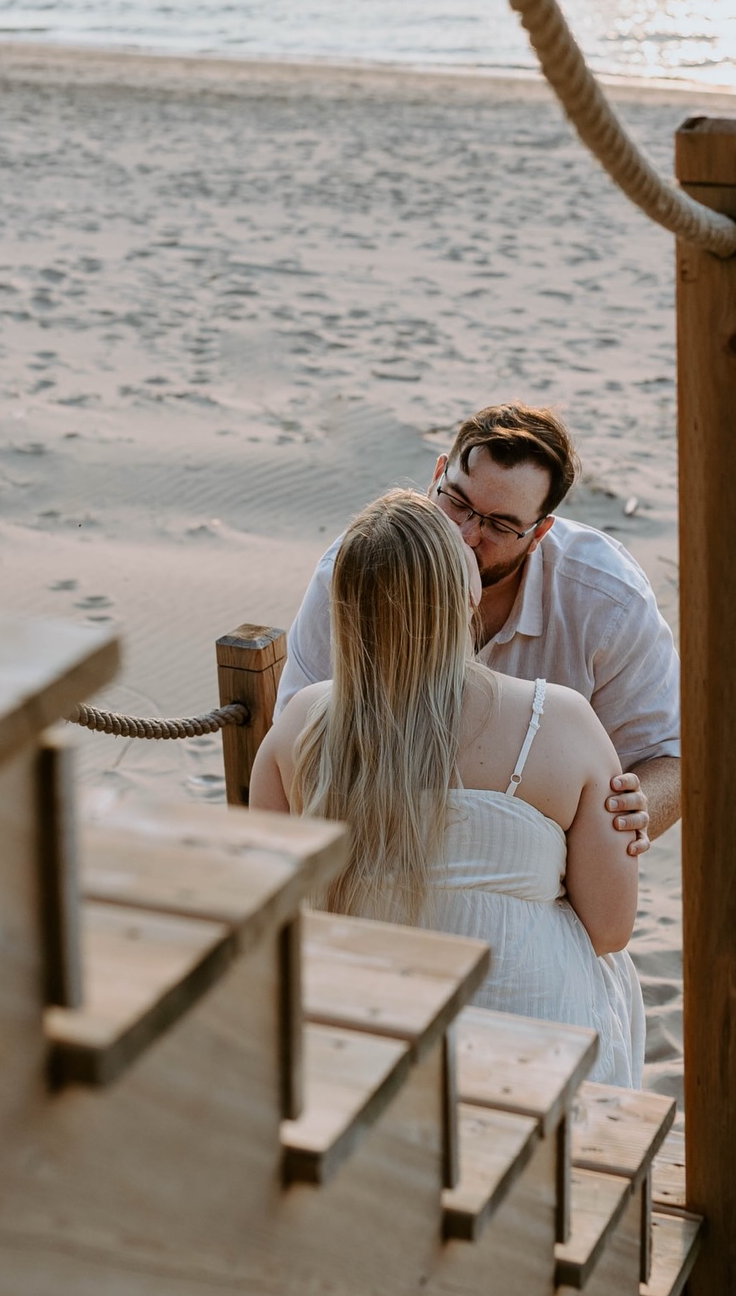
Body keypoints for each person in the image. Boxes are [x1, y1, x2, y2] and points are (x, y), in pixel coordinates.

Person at [250, 489, 645, 1088]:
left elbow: (273, 913)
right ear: (465, 598)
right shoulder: (559, 724)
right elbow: (611, 928)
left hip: (363, 1052)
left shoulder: (296, 732)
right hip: (527, 1059)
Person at [276, 403, 680, 856]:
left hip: (549, 867)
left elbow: (670, 757)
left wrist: (625, 820)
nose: (466, 535)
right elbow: (299, 737)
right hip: (375, 847)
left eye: (500, 525)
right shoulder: (357, 569)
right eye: (457, 503)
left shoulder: (608, 602)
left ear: (540, 532)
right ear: (437, 474)